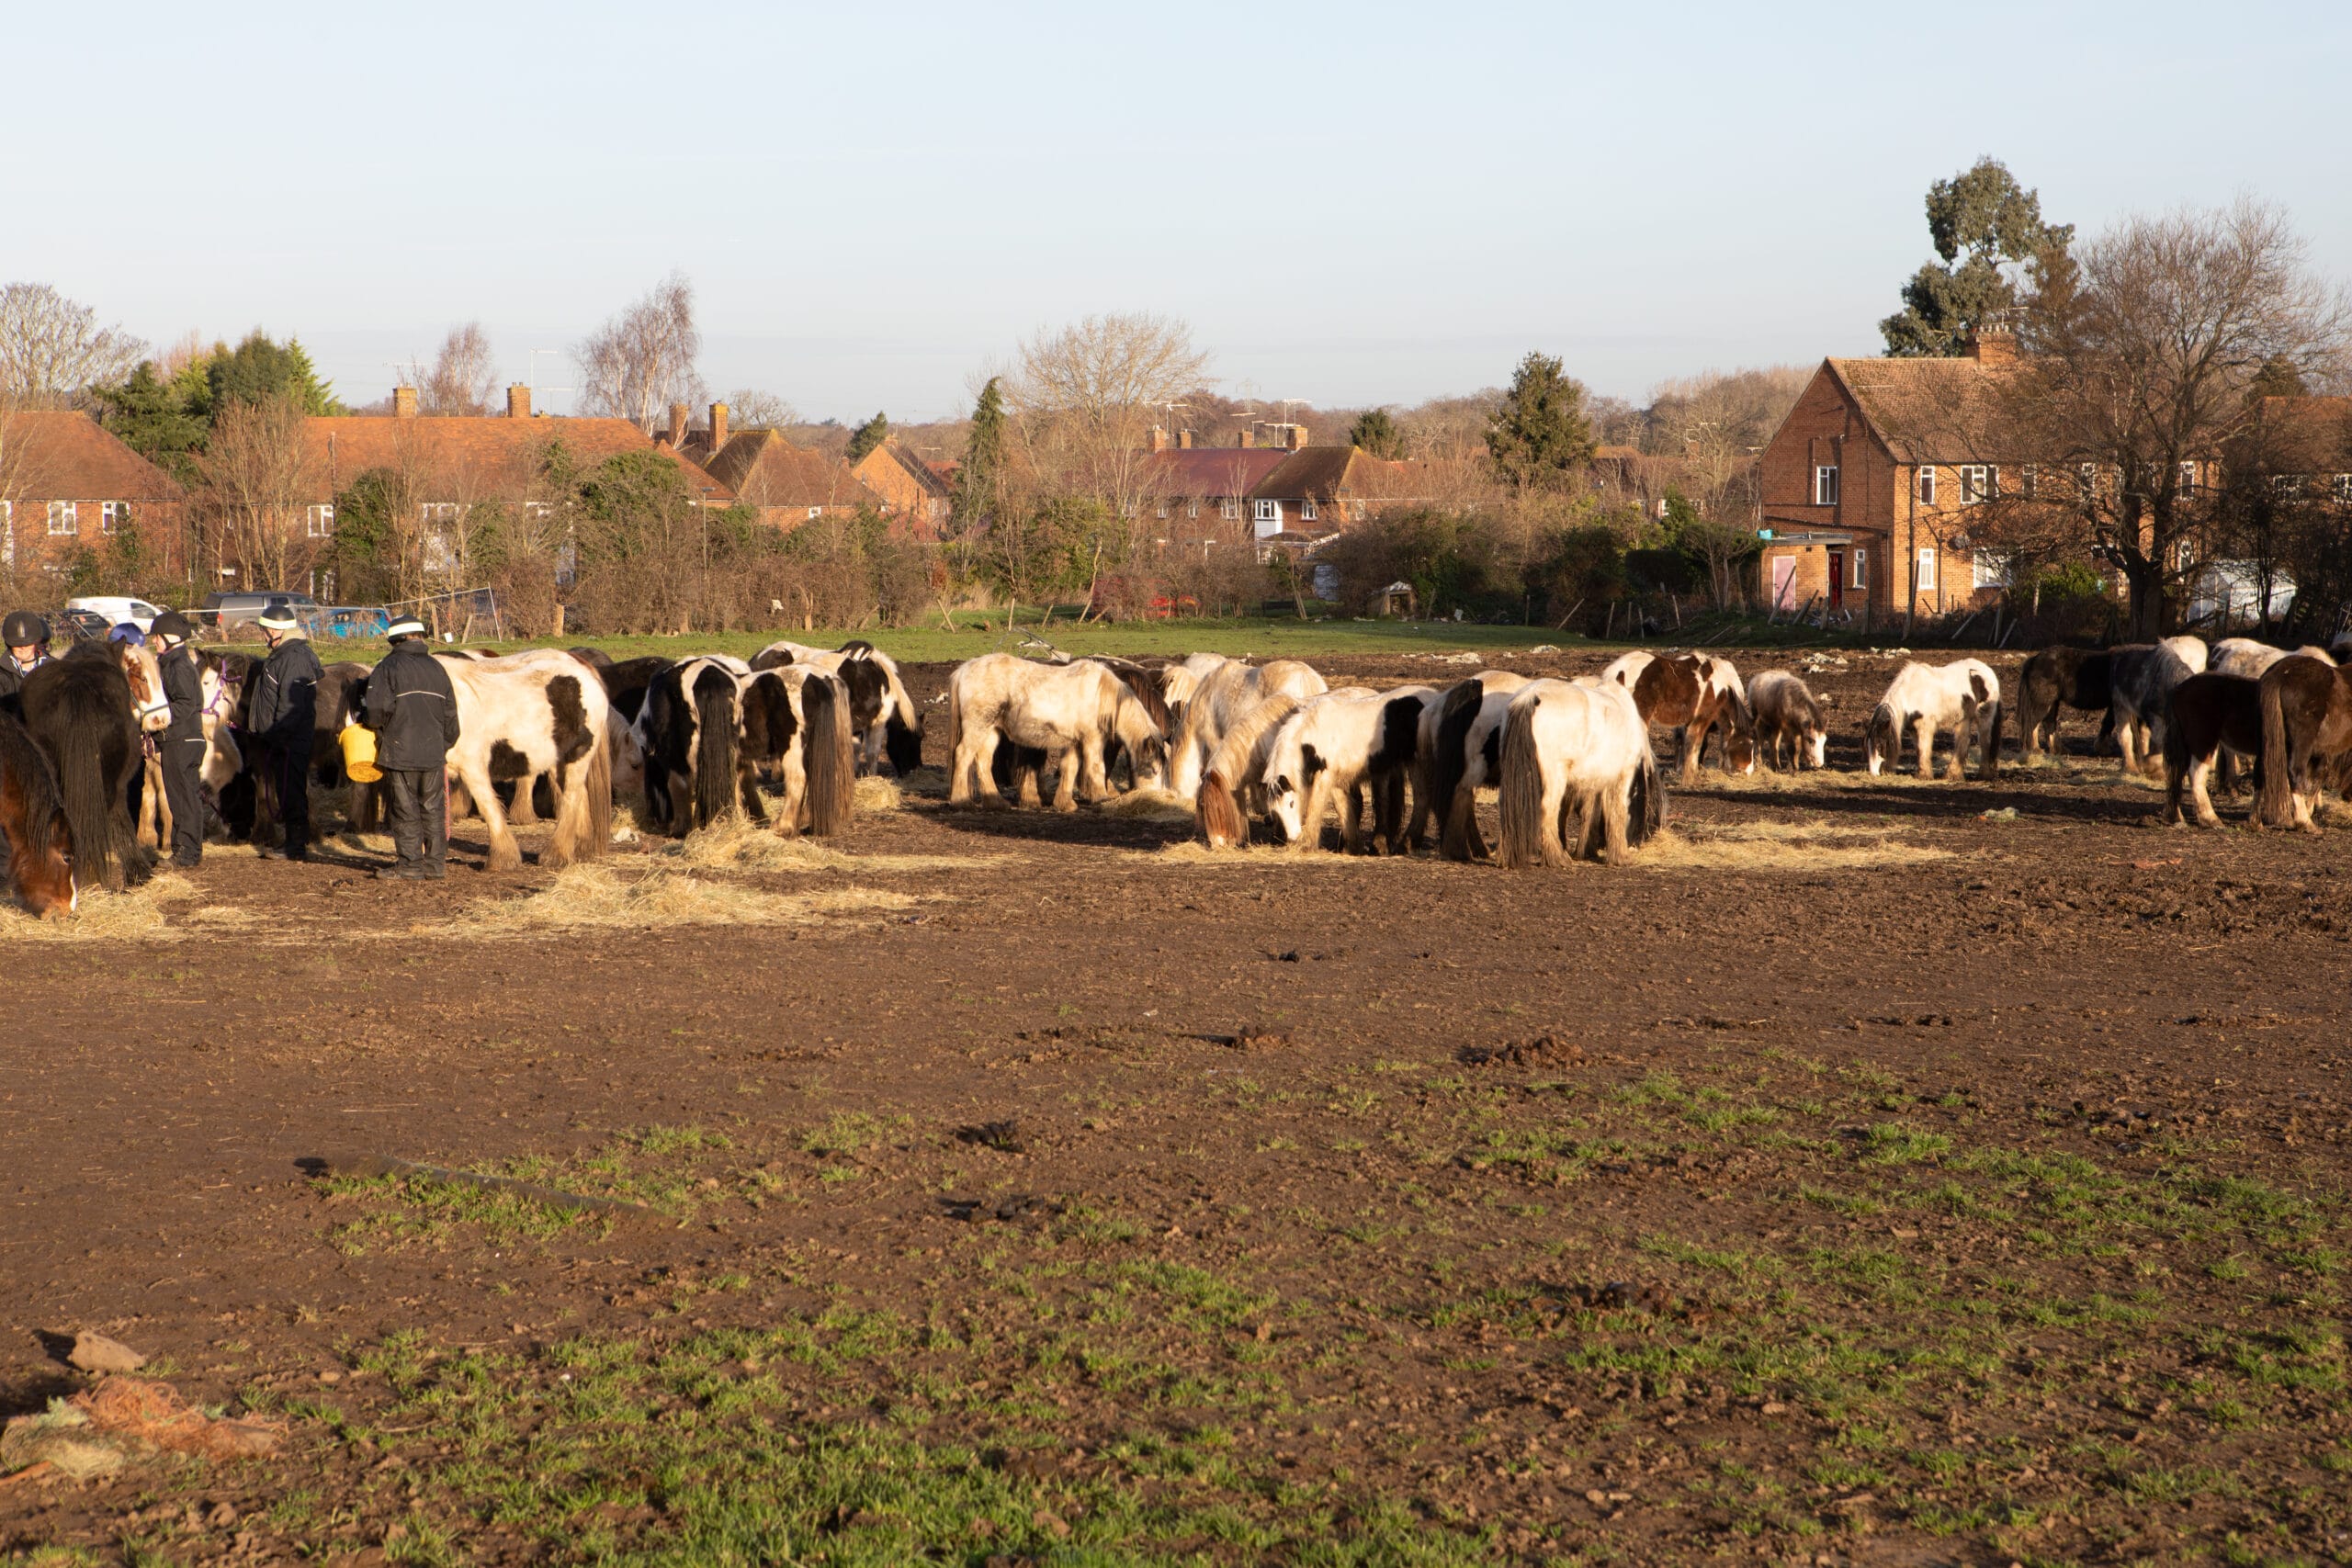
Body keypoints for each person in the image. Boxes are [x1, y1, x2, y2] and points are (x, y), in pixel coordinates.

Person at [364, 615, 459, 880]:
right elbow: (452, 719)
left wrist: (380, 733)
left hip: (400, 751)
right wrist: (441, 747)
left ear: (395, 640)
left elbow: (374, 713)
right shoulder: (438, 669)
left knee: (405, 809)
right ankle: (435, 865)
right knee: (433, 809)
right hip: (433, 753)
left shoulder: (387, 667)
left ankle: (410, 866)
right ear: (419, 636)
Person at [249, 599, 325, 861]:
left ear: (274, 630)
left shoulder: (292, 658)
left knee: (291, 791)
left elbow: (289, 705)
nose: (263, 634)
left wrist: (276, 736)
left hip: (289, 739)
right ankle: (294, 842)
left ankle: (295, 846)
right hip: (285, 738)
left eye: (265, 630)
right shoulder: (285, 655)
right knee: (288, 790)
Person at [147, 610, 208, 868]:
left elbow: (186, 703)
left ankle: (187, 852)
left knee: (183, 797)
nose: (155, 642)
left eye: (158, 637)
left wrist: (155, 722)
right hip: (183, 739)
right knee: (185, 796)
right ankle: (189, 850)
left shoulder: (178, 666)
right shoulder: (175, 662)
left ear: (170, 637)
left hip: (181, 740)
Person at [0, 610, 52, 702]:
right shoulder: (2, 675)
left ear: (36, 642)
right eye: (17, 644)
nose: (23, 648)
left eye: (28, 644)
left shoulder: (54, 669)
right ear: (9, 644)